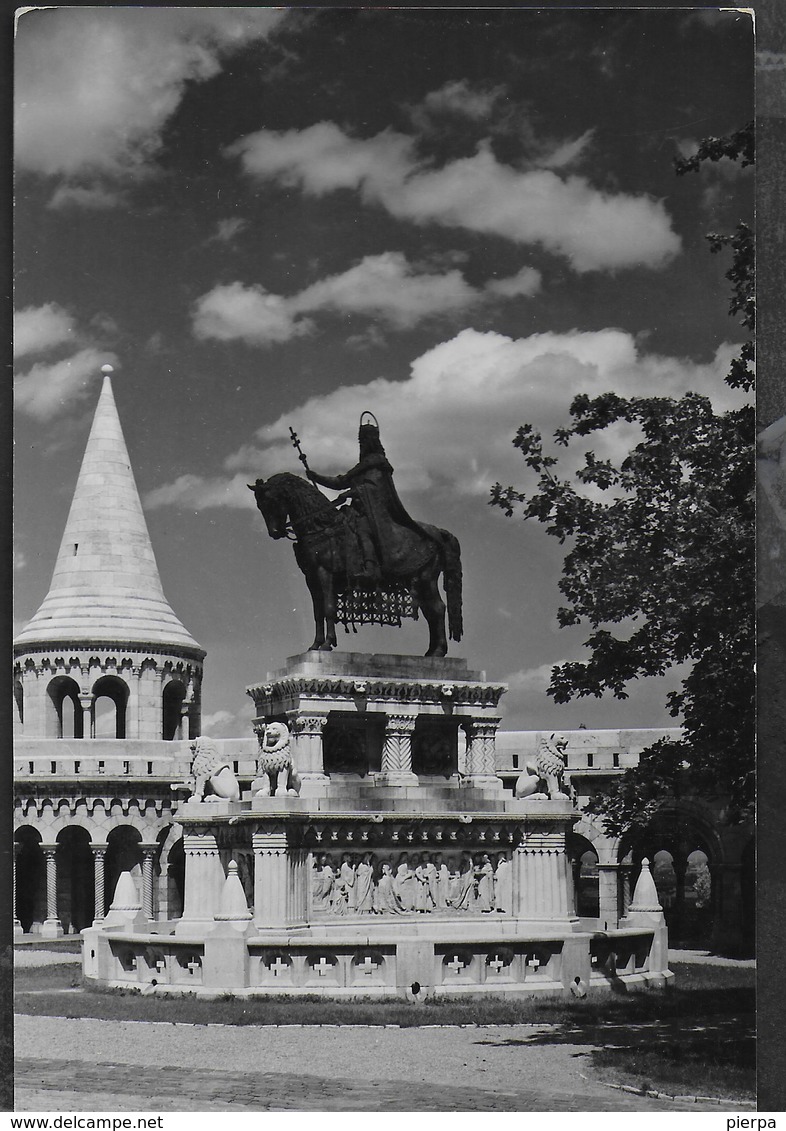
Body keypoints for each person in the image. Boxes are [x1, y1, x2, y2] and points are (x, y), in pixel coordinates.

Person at [305, 413, 430, 581]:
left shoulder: (378, 462)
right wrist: (316, 477)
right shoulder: (362, 466)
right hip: (359, 510)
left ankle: (370, 567)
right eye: (360, 442)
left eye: (363, 442)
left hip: (375, 514)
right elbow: (341, 481)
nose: (361, 446)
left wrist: (351, 492)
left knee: (363, 529)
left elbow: (374, 489)